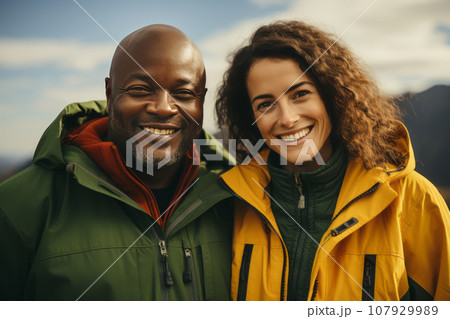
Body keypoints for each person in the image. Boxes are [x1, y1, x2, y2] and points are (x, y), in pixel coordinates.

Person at [215, 21, 450, 301]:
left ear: (332, 96)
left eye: (300, 94)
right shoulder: (233, 203)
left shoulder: (411, 199)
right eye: (265, 104)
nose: (287, 118)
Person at [0, 24, 234, 300]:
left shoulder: (234, 201)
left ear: (201, 101)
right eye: (140, 89)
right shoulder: (17, 207)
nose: (163, 107)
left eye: (183, 93)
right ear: (110, 95)